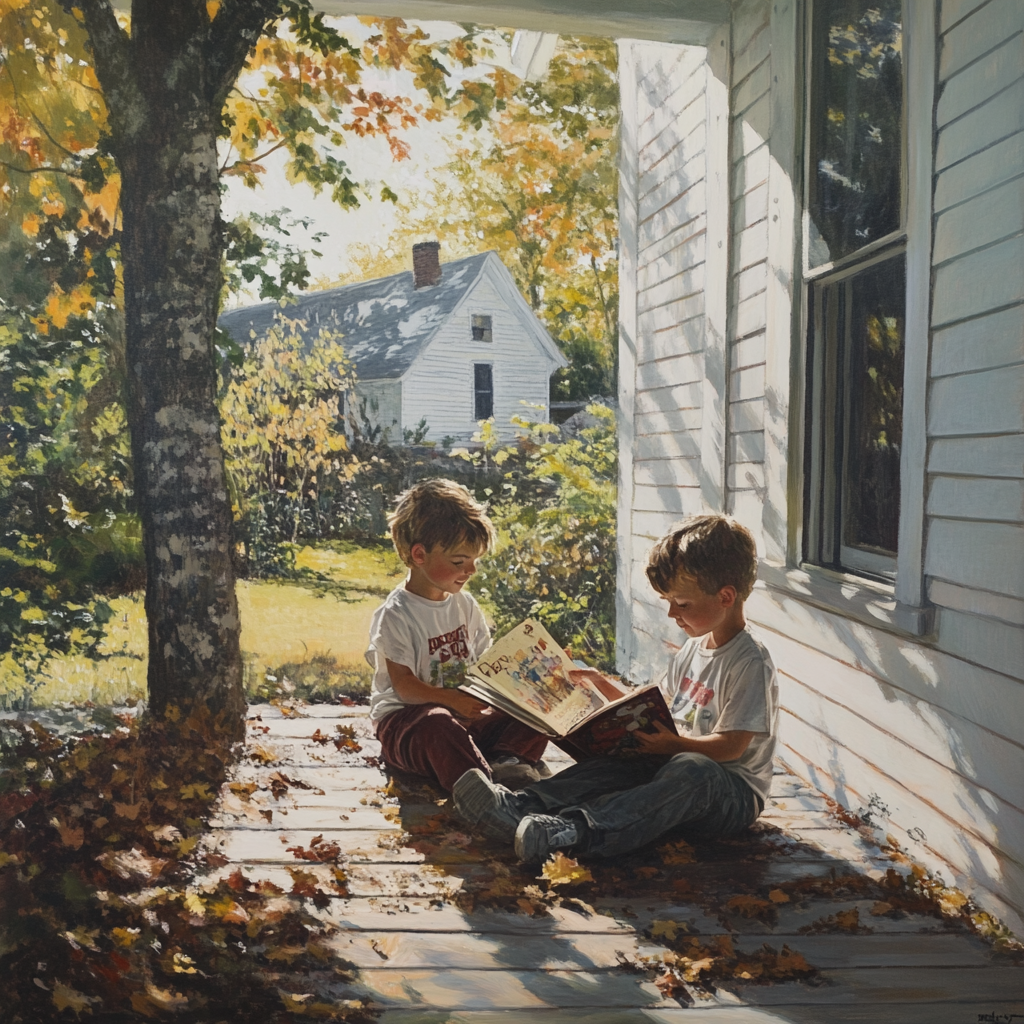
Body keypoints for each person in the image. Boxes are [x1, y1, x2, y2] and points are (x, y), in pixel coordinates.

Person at [452, 513, 778, 863]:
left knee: (692, 770)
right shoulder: (693, 649)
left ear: (726, 596)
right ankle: (514, 809)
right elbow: (655, 710)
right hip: (675, 762)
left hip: (729, 793)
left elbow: (732, 747)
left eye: (682, 604)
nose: (672, 614)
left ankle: (573, 833)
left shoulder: (750, 660)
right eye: (668, 602)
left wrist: (672, 744)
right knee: (617, 766)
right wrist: (601, 686)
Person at [366, 478, 549, 793]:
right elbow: (405, 687)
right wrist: (451, 701)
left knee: (537, 700)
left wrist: (532, 671)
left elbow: (484, 663)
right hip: (409, 723)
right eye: (459, 561)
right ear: (420, 555)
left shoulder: (464, 604)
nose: (471, 570)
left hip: (465, 715)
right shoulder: (397, 614)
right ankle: (481, 786)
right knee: (437, 724)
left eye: (474, 561)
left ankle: (506, 761)